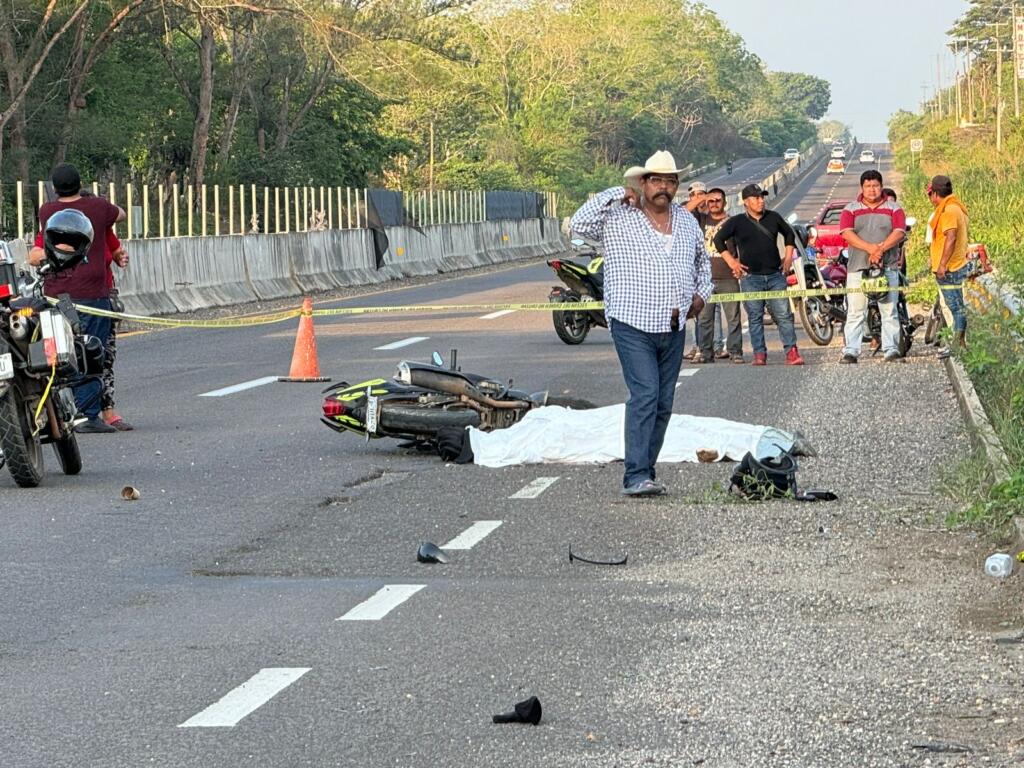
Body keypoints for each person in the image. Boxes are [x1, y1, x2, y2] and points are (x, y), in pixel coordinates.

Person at [570, 150, 712, 496]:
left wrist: (701, 295)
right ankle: (634, 475)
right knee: (645, 393)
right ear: (642, 183)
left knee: (663, 403)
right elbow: (578, 224)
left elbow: (702, 264)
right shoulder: (619, 216)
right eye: (656, 181)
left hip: (674, 325)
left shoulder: (686, 220)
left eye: (670, 181)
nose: (664, 187)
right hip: (632, 322)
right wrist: (616, 193)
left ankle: (646, 470)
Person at [28, 164, 125, 433]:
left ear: (54, 188)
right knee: (91, 351)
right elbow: (121, 214)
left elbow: (38, 250)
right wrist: (102, 206)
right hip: (92, 294)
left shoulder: (47, 212)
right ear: (80, 184)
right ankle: (88, 415)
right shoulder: (99, 208)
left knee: (57, 352)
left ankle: (56, 410)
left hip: (56, 294)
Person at [713, 184, 804, 366]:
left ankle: (792, 352)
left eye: (762, 197)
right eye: (756, 198)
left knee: (784, 315)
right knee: (755, 317)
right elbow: (718, 239)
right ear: (746, 202)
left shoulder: (773, 217)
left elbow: (789, 234)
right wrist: (732, 262)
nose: (761, 201)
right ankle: (759, 354)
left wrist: (788, 257)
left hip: (775, 275)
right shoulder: (737, 221)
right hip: (751, 278)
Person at [837, 170, 906, 363]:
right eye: (867, 186)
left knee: (889, 311)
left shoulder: (894, 208)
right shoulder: (850, 209)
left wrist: (880, 250)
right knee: (855, 312)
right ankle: (851, 351)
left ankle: (891, 349)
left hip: (887, 268)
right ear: (861, 188)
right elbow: (846, 233)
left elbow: (899, 232)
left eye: (875, 185)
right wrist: (871, 249)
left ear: (881, 186)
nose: (872, 190)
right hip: (858, 269)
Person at [694, 187, 743, 364]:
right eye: (711, 201)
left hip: (728, 277)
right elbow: (684, 210)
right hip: (704, 279)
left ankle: (735, 351)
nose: (714, 204)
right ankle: (706, 353)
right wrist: (703, 197)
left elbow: (741, 246)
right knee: (704, 319)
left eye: (718, 200)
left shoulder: (733, 222)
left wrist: (738, 265)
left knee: (733, 317)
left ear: (725, 202)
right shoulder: (700, 220)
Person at [927, 174, 970, 358]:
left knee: (956, 309)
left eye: (930, 195)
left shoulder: (948, 211)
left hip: (950, 268)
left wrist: (942, 264)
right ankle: (959, 344)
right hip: (954, 265)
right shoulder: (956, 207)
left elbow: (950, 238)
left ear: (936, 194)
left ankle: (958, 345)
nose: (930, 199)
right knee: (957, 308)